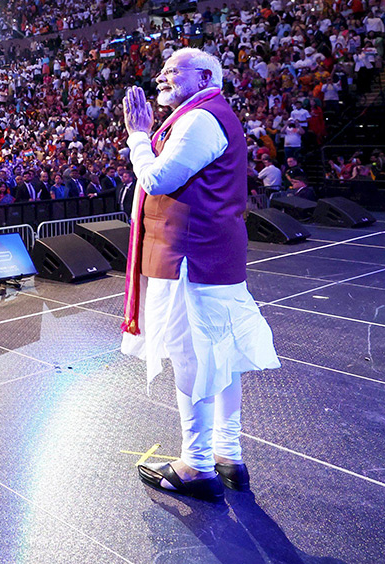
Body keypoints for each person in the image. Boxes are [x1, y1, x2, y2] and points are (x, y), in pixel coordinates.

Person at [121, 47, 279, 502]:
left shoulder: (201, 119)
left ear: (205, 75)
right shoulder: (204, 115)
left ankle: (196, 464)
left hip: (189, 259)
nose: (161, 78)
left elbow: (158, 180)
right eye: (163, 71)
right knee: (222, 358)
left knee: (192, 359)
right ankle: (228, 455)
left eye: (173, 72)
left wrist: (137, 137)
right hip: (208, 256)